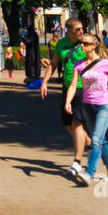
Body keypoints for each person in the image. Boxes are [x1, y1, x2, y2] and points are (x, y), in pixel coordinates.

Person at [63, 33, 108, 185]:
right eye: (81, 43)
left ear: (94, 46)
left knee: (96, 140)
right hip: (87, 106)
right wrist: (68, 101)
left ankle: (89, 173)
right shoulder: (78, 65)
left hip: (104, 106)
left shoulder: (105, 64)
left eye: (85, 43)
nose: (81, 46)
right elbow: (72, 85)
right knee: (101, 141)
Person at [40, 17, 90, 179]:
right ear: (69, 31)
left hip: (83, 87)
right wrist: (45, 82)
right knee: (68, 124)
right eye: (78, 29)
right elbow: (53, 64)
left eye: (82, 28)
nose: (81, 31)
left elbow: (99, 60)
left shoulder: (87, 44)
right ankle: (90, 143)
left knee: (77, 123)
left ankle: (77, 161)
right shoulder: (61, 44)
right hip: (67, 87)